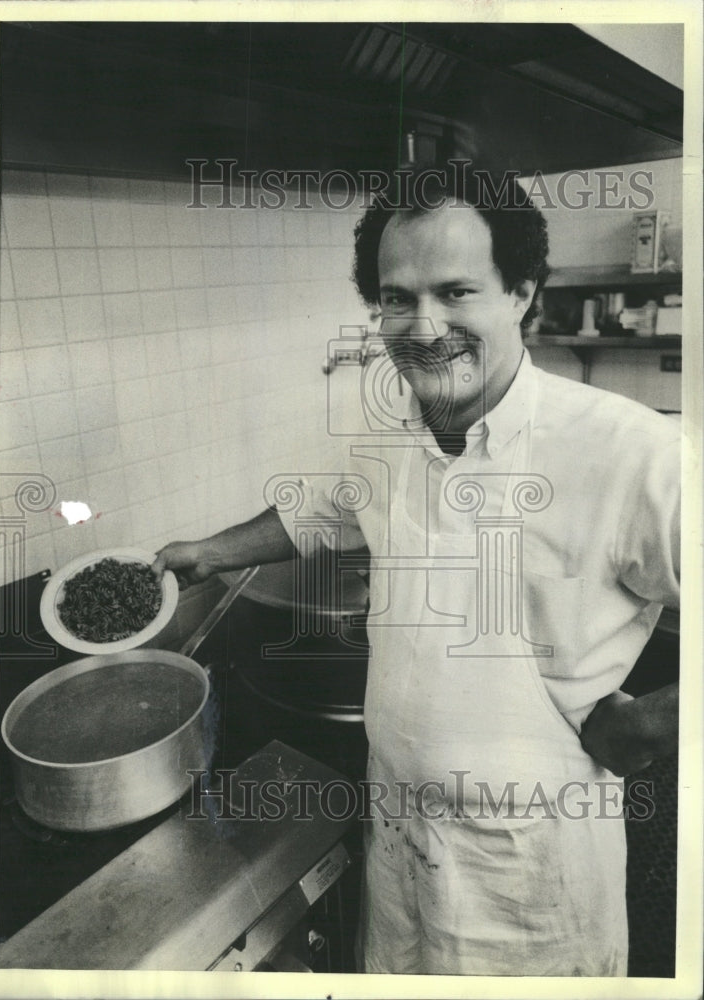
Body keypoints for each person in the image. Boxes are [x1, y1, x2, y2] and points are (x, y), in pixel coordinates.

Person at [153, 167, 680, 975]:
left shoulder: (630, 451)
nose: (423, 326)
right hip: (399, 837)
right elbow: (323, 509)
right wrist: (208, 554)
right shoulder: (395, 430)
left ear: (522, 294)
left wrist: (647, 727)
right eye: (397, 297)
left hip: (527, 872)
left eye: (456, 291)